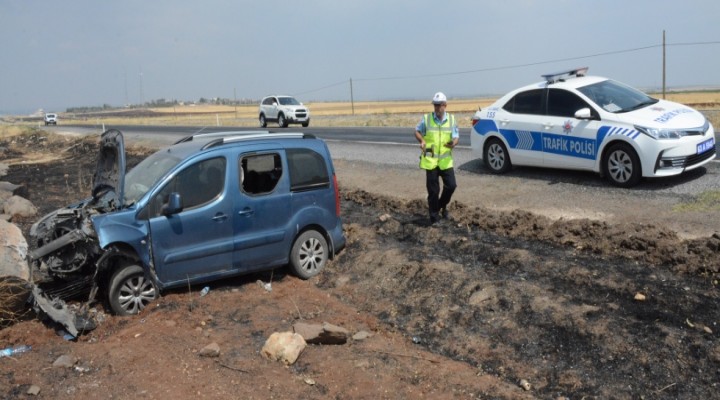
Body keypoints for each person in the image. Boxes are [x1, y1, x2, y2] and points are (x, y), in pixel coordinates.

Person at [414, 92, 459, 225]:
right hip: (431, 161)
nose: (436, 108)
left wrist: (453, 143)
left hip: (445, 161)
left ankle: (440, 206)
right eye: (435, 105)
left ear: (445, 105)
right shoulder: (427, 119)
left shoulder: (451, 120)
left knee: (451, 186)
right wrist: (421, 140)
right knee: (433, 191)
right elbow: (416, 130)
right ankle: (434, 218)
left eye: (439, 105)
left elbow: (456, 136)